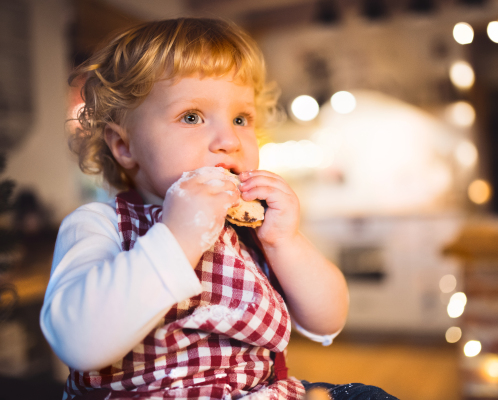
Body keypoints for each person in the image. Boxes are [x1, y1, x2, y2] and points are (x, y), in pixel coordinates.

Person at [40, 18, 397, 400]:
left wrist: (284, 241)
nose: (229, 140)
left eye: (241, 119)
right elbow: (78, 343)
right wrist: (178, 237)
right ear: (125, 147)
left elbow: (328, 322)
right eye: (191, 117)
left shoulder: (249, 228)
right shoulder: (100, 225)